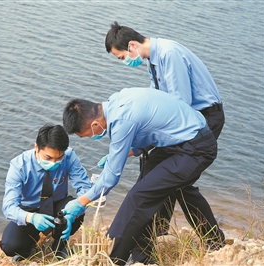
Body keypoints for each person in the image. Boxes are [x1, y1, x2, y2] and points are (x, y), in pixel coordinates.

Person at [62, 88, 225, 265]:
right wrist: (128, 152)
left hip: (197, 149)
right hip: (178, 142)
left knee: (139, 196)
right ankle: (143, 256)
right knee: (145, 191)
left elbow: (111, 177)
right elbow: (151, 130)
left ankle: (111, 260)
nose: (91, 137)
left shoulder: (121, 120)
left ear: (94, 125)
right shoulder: (117, 100)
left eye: (87, 136)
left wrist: (80, 202)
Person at [104, 21, 225, 236]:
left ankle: (211, 239)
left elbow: (180, 105)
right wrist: (138, 146)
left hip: (201, 119)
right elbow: (158, 102)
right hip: (185, 120)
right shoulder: (154, 59)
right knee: (164, 176)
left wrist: (143, 144)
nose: (124, 63)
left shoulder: (169, 55)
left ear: (132, 45)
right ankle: (155, 234)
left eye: (122, 57)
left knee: (179, 181)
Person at [0, 124, 92, 262]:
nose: (54, 162)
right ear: (36, 147)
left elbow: (85, 188)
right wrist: (31, 218)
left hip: (57, 205)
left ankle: (59, 246)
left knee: (76, 207)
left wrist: (75, 211)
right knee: (10, 245)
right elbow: (8, 207)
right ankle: (30, 245)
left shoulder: (69, 156)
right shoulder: (19, 166)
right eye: (48, 158)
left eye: (59, 158)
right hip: (30, 210)